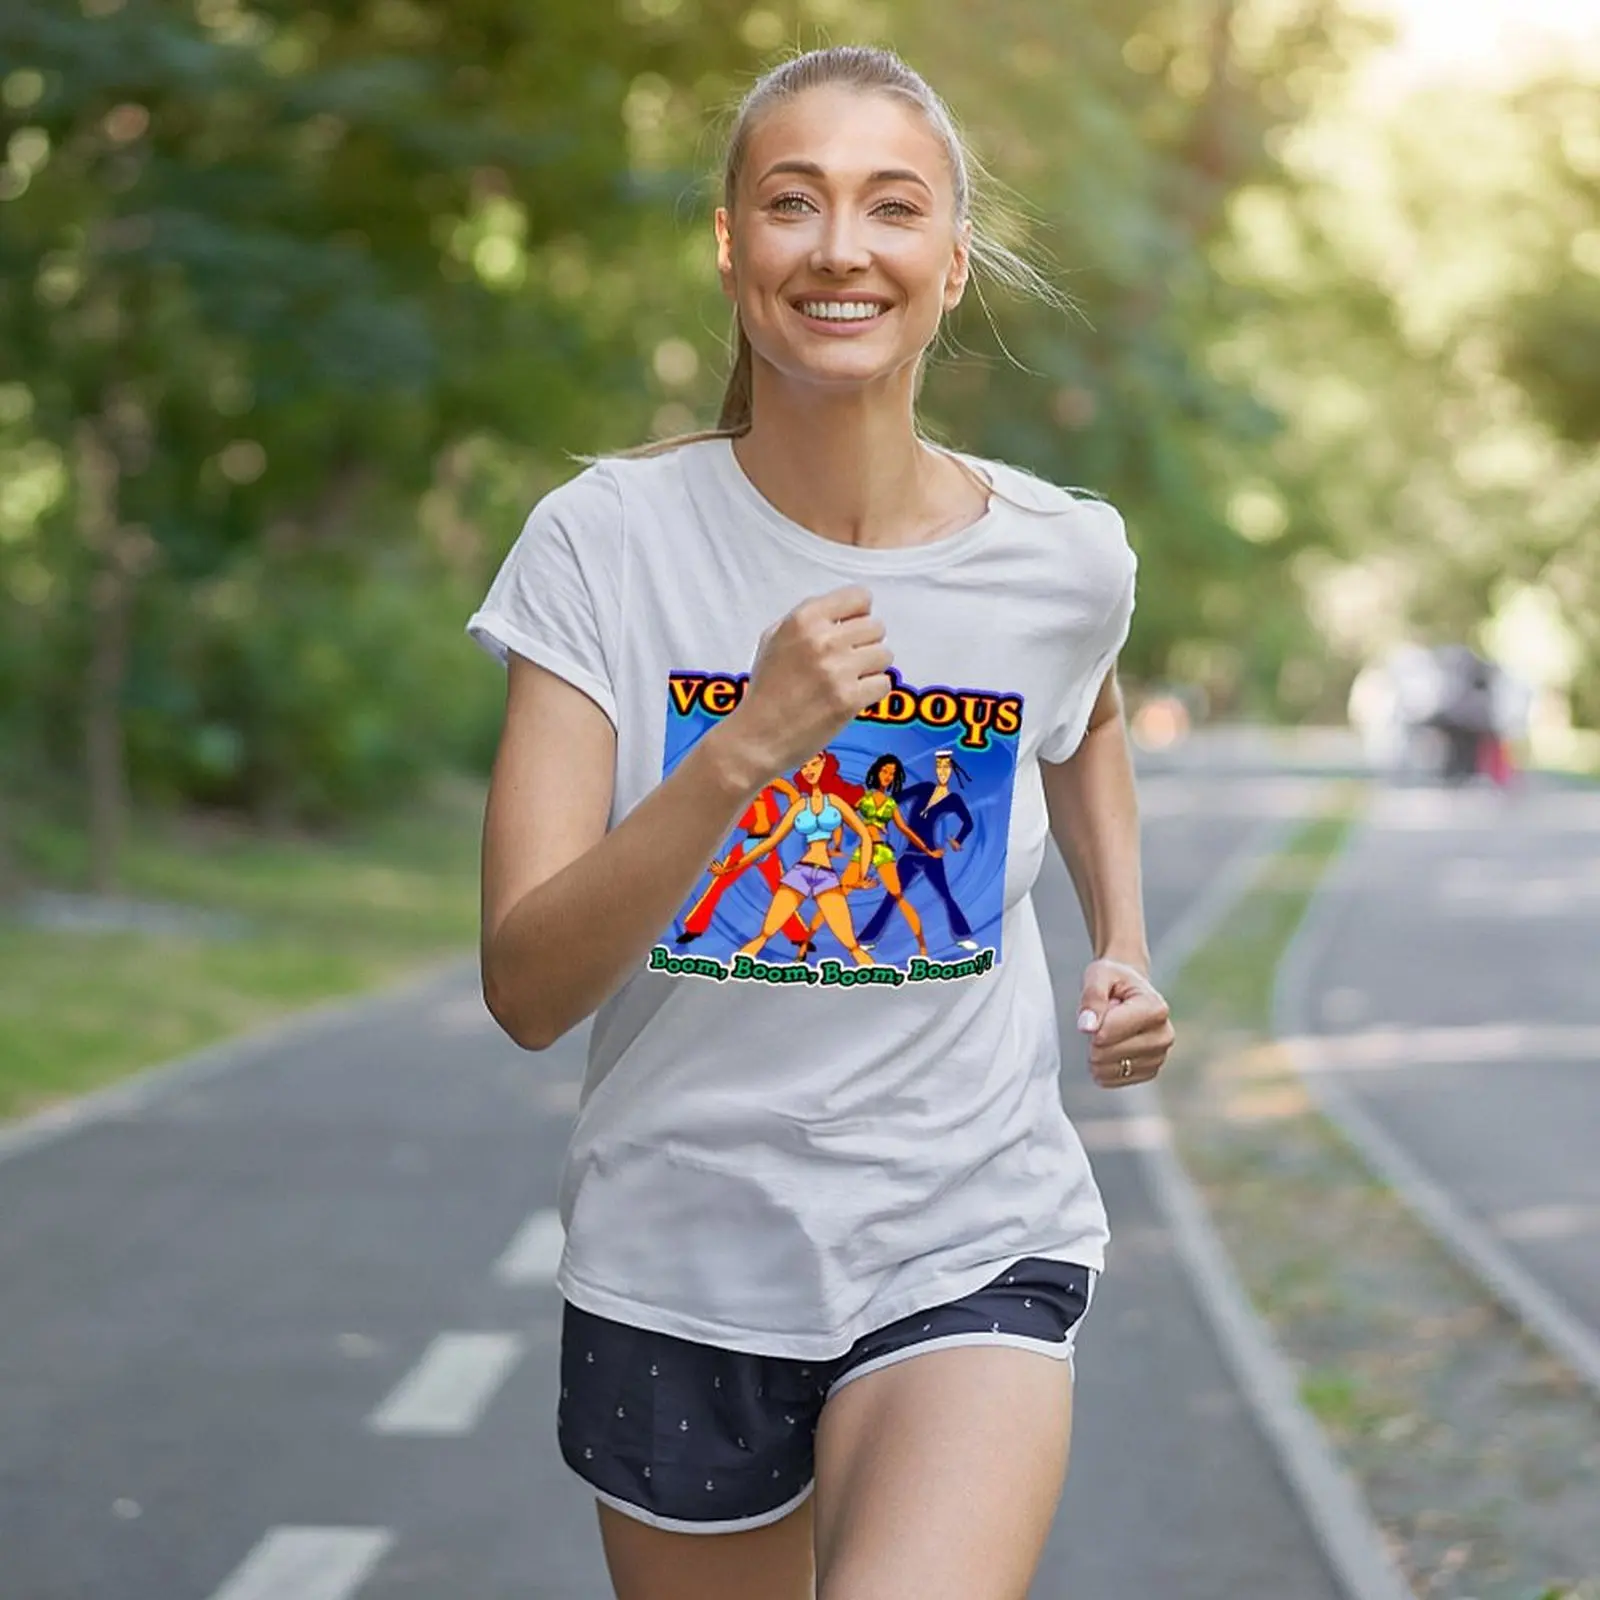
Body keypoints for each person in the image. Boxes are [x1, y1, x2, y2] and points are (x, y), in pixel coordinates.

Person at [468, 44, 1173, 1600]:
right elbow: (526, 987)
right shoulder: (605, 546)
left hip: (967, 1229)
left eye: (890, 207)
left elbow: (1091, 708)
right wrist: (740, 754)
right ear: (733, 246)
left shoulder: (1063, 559)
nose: (841, 246)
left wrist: (1121, 937)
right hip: (679, 1260)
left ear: (949, 260)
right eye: (794, 203)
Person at [857, 746, 977, 953]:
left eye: (946, 768)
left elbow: (968, 822)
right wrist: (878, 819)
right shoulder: (924, 788)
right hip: (910, 853)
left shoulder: (953, 800)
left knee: (946, 895)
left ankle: (963, 936)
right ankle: (867, 939)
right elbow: (894, 800)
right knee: (893, 894)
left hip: (931, 854)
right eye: (939, 767)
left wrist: (958, 840)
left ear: (952, 771)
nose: (942, 771)